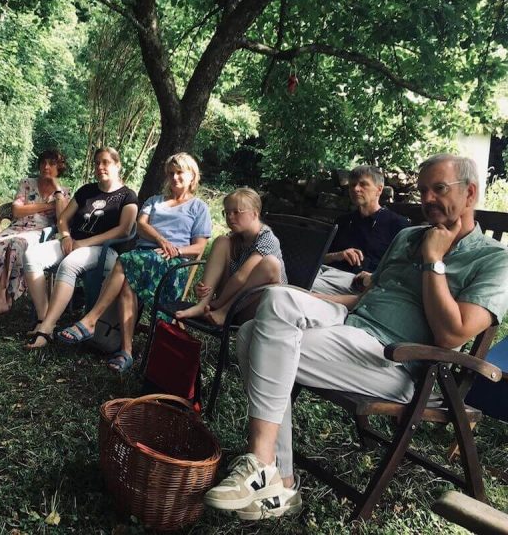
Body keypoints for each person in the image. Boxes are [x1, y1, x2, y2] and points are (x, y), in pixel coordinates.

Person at [204, 154, 508, 520]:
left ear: (470, 192)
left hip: (399, 360)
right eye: (423, 190)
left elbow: (451, 334)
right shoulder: (408, 236)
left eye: (439, 189)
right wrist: (302, 298)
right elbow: (368, 297)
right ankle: (275, 475)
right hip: (353, 325)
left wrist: (434, 261)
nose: (427, 199)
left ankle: (269, 469)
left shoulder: (495, 260)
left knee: (255, 338)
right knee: (270, 307)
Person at [58, 152, 212, 372]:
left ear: (192, 176)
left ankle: (91, 321)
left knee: (125, 262)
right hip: (142, 257)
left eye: (180, 172)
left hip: (173, 263)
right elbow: (140, 225)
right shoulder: (155, 201)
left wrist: (175, 250)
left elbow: (198, 248)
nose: (175, 177)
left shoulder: (198, 208)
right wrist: (160, 239)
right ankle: (126, 352)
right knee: (128, 278)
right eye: (171, 173)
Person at [23, 147, 138, 349]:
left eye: (106, 162)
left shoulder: (127, 196)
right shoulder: (87, 190)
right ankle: (44, 319)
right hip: (72, 243)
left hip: (105, 251)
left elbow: (124, 229)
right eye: (97, 163)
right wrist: (66, 236)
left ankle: (45, 330)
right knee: (32, 255)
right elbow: (63, 219)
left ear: (118, 165)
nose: (100, 167)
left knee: (70, 263)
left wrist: (85, 243)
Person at [174, 188, 286, 326]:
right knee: (221, 241)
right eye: (226, 213)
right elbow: (222, 273)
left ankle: (223, 312)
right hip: (233, 303)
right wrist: (203, 289)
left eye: (236, 212)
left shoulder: (267, 239)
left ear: (255, 213)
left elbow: (241, 277)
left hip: (260, 310)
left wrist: (217, 303)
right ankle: (202, 305)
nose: (230, 217)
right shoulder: (234, 238)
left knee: (271, 263)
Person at [0, 150, 71, 317]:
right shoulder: (27, 183)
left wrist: (57, 189)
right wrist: (48, 206)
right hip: (17, 227)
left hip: (41, 233)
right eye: (43, 162)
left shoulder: (64, 193)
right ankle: (0, 300)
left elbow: (62, 219)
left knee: (17, 245)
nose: (46, 167)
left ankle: (9, 297)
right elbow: (16, 211)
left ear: (59, 168)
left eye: (52, 164)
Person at [312, 165, 409, 295]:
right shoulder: (343, 221)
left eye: (363, 184)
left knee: (300, 284)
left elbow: (403, 269)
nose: (356, 189)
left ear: (379, 189)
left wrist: (373, 277)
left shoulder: (397, 224)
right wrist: (338, 255)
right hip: (325, 272)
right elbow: (320, 258)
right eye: (352, 185)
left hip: (357, 283)